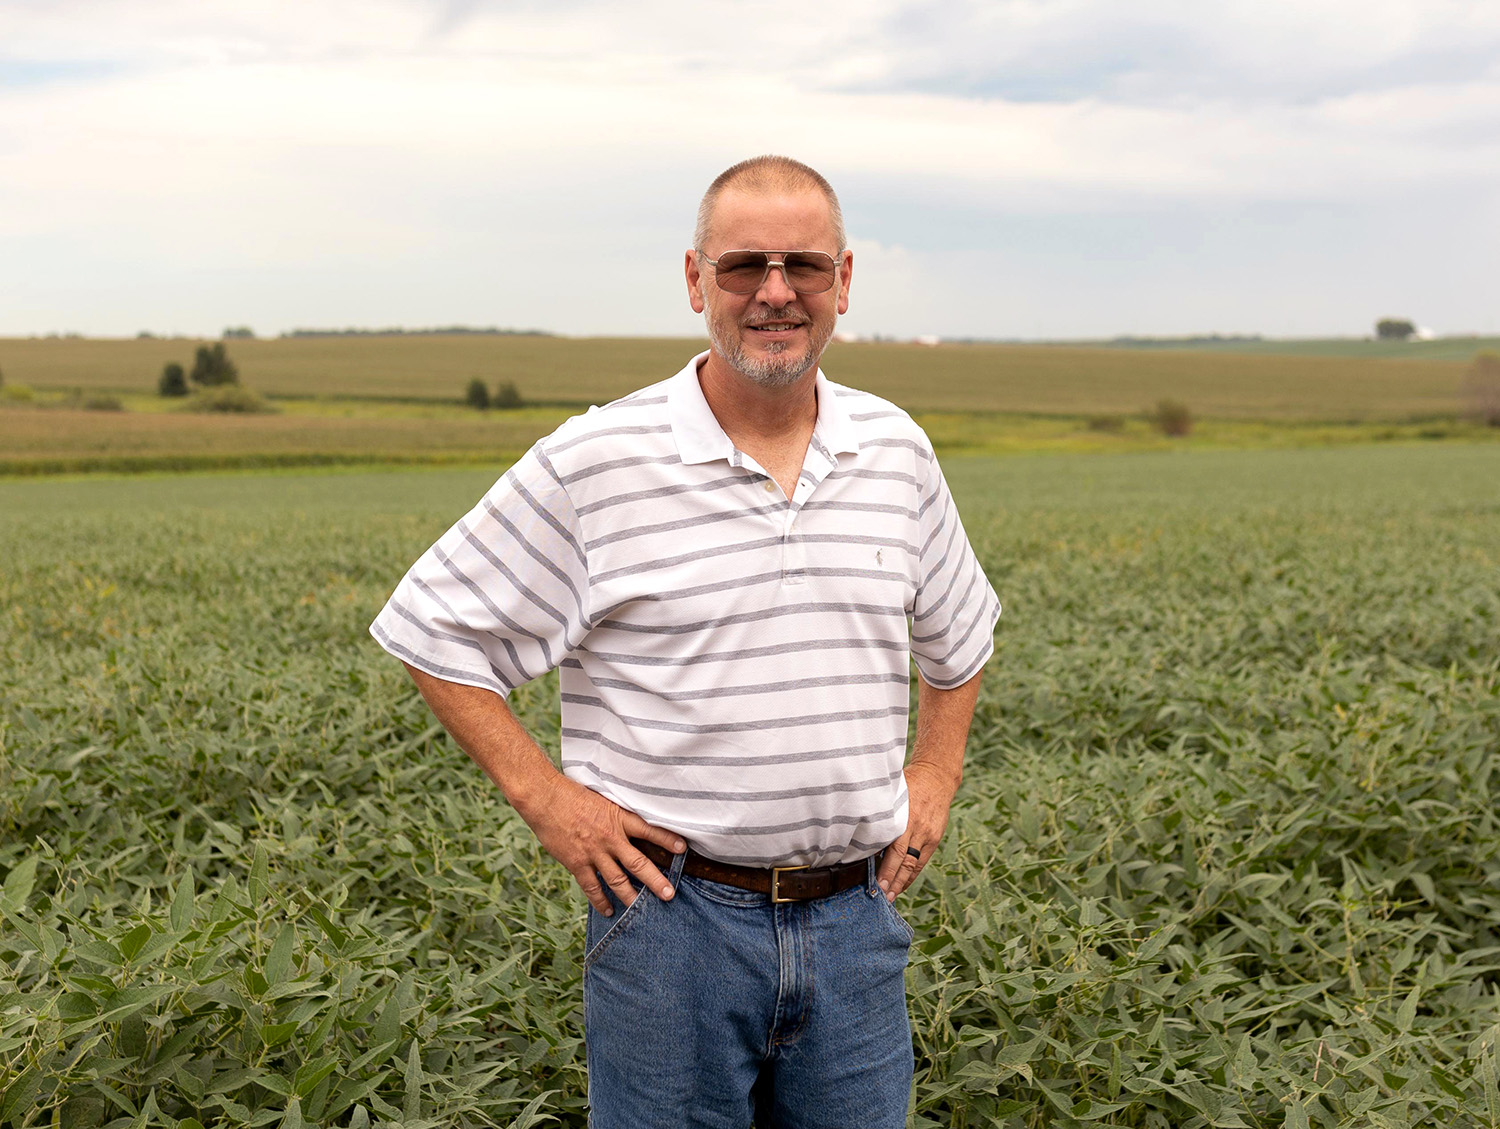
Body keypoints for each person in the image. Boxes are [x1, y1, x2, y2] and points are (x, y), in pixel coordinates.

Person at [370, 155, 1001, 1128]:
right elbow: (431, 625)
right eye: (745, 264)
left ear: (844, 280)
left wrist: (939, 770)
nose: (776, 292)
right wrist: (549, 801)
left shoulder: (895, 451)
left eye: (803, 265)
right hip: (673, 927)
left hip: (854, 923)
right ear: (696, 278)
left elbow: (959, 636)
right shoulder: (598, 461)